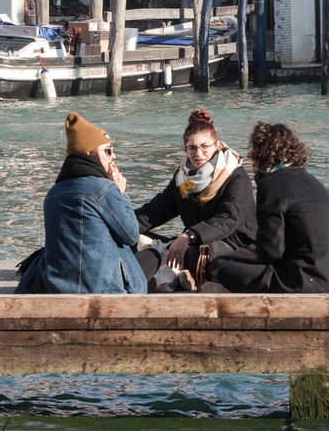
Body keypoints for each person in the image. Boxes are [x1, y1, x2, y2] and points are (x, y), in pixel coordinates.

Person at [207, 122, 329, 294]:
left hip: (309, 280)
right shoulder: (309, 178)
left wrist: (247, 256)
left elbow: (271, 252)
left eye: (254, 148)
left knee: (220, 265)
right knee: (242, 258)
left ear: (266, 153)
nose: (249, 154)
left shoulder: (271, 184)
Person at [16, 111, 146, 294]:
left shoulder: (52, 193)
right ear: (89, 153)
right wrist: (121, 193)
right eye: (108, 150)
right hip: (103, 289)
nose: (113, 156)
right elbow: (131, 235)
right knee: (150, 255)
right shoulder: (104, 189)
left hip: (56, 288)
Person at [134, 110, 255, 279]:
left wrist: (189, 235)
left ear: (217, 146)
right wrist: (124, 226)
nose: (198, 154)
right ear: (186, 149)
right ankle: (171, 270)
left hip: (234, 246)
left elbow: (228, 218)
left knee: (200, 254)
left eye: (205, 146)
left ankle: (170, 270)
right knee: (131, 239)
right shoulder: (182, 177)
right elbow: (157, 209)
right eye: (192, 148)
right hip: (194, 241)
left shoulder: (235, 176)